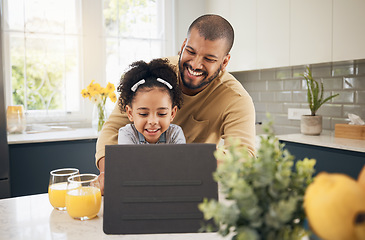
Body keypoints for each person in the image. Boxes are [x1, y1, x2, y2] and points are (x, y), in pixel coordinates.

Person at [96, 14, 256, 194]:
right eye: (191, 51)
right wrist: (107, 171)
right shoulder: (154, 75)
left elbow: (243, 156)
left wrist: (180, 162)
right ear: (183, 46)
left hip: (194, 187)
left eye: (209, 59)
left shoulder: (235, 98)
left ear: (224, 61)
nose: (195, 64)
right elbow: (112, 129)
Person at [117, 58, 185, 145]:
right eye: (143, 114)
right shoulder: (127, 134)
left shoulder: (175, 134)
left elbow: (180, 158)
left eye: (162, 113)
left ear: (172, 114)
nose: (153, 121)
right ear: (130, 113)